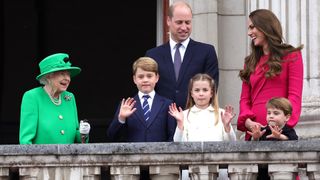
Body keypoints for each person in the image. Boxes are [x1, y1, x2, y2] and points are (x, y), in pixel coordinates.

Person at [237, 9, 304, 141]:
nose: (249, 33)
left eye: (252, 27)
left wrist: (284, 127)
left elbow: (294, 97)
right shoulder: (250, 61)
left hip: (279, 132)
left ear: (265, 27)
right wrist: (248, 122)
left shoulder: (291, 56)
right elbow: (245, 99)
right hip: (255, 133)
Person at [145, 0, 219, 109]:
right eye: (179, 22)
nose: (184, 28)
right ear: (168, 21)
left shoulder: (206, 52)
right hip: (162, 119)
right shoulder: (153, 55)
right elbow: (147, 90)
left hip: (194, 118)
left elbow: (212, 87)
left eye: (187, 22)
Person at [169, 73, 236, 180]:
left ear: (212, 93)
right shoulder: (185, 115)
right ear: (191, 93)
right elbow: (177, 144)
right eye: (197, 90)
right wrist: (180, 124)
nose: (201, 94)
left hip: (219, 172)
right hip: (191, 172)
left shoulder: (221, 114)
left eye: (205, 90)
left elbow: (232, 144)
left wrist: (227, 126)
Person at [19, 53, 90, 144]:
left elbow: (77, 138)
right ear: (49, 76)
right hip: (42, 158)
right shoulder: (32, 97)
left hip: (69, 157)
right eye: (62, 74)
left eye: (68, 74)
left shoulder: (69, 97)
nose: (67, 78)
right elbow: (25, 141)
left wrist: (83, 133)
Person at [107, 57, 176, 142]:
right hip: (133, 154)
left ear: (157, 78)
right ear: (134, 79)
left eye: (149, 76)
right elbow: (112, 136)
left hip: (159, 154)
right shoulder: (126, 104)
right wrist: (121, 118)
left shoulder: (167, 104)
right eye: (141, 77)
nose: (145, 80)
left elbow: (172, 136)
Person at [248, 97, 298, 180]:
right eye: (269, 113)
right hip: (263, 171)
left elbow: (294, 141)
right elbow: (253, 149)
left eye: (276, 113)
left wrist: (279, 136)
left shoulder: (288, 130)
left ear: (287, 117)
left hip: (282, 170)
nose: (271, 116)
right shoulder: (264, 130)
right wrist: (256, 138)